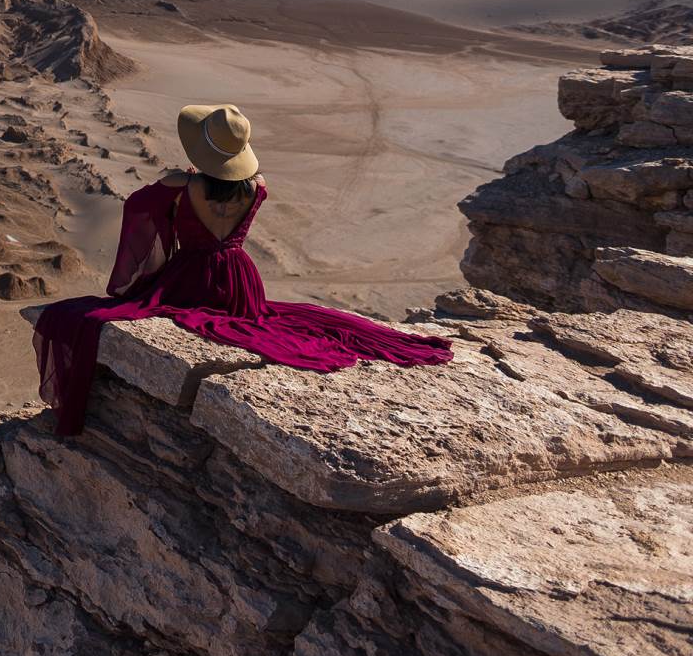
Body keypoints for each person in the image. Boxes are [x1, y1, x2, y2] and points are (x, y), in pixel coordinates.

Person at [31, 103, 451, 435]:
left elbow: (138, 206)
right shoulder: (258, 186)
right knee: (268, 319)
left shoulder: (183, 184)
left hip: (188, 279)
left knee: (80, 317)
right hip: (239, 281)